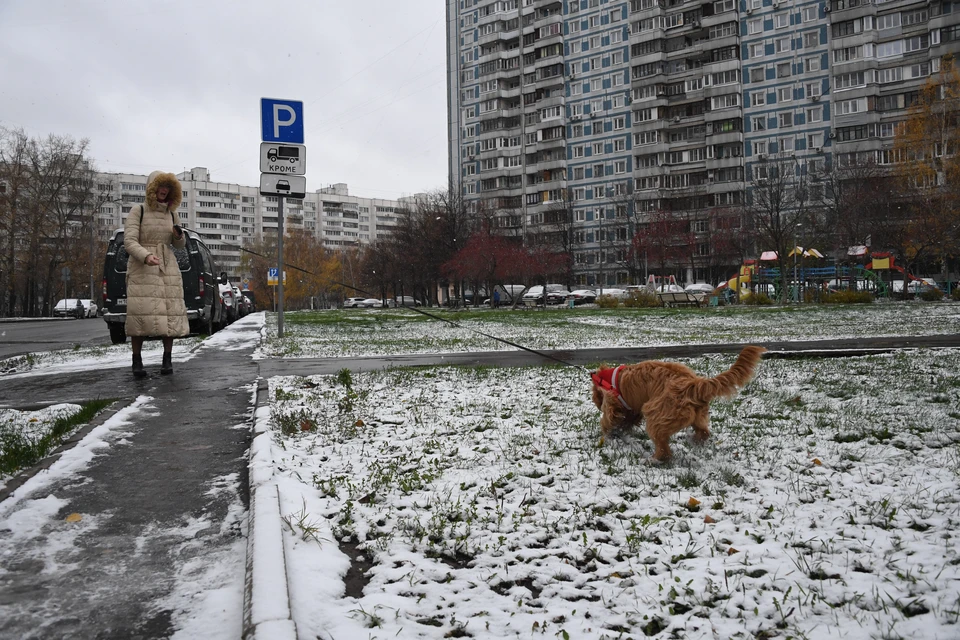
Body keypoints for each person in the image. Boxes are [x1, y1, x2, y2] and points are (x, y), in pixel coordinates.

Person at [123, 171, 188, 377]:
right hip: (142, 267)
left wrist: (179, 236)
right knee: (139, 314)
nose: (164, 191)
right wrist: (146, 255)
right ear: (152, 188)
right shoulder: (138, 210)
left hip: (167, 266)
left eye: (168, 187)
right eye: (160, 186)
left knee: (169, 313)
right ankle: (137, 361)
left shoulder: (172, 213)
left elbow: (179, 244)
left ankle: (167, 360)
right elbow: (129, 241)